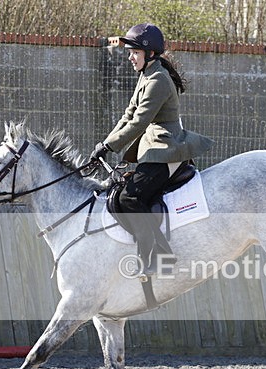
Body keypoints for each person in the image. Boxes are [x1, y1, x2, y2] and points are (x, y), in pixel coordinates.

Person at [91, 22, 213, 275]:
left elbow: (140, 121)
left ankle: (161, 256)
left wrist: (110, 145)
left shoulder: (158, 80)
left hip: (166, 151)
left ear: (151, 53)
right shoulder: (146, 76)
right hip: (152, 151)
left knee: (129, 198)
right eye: (130, 52)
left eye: (135, 52)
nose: (130, 57)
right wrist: (104, 145)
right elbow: (127, 116)